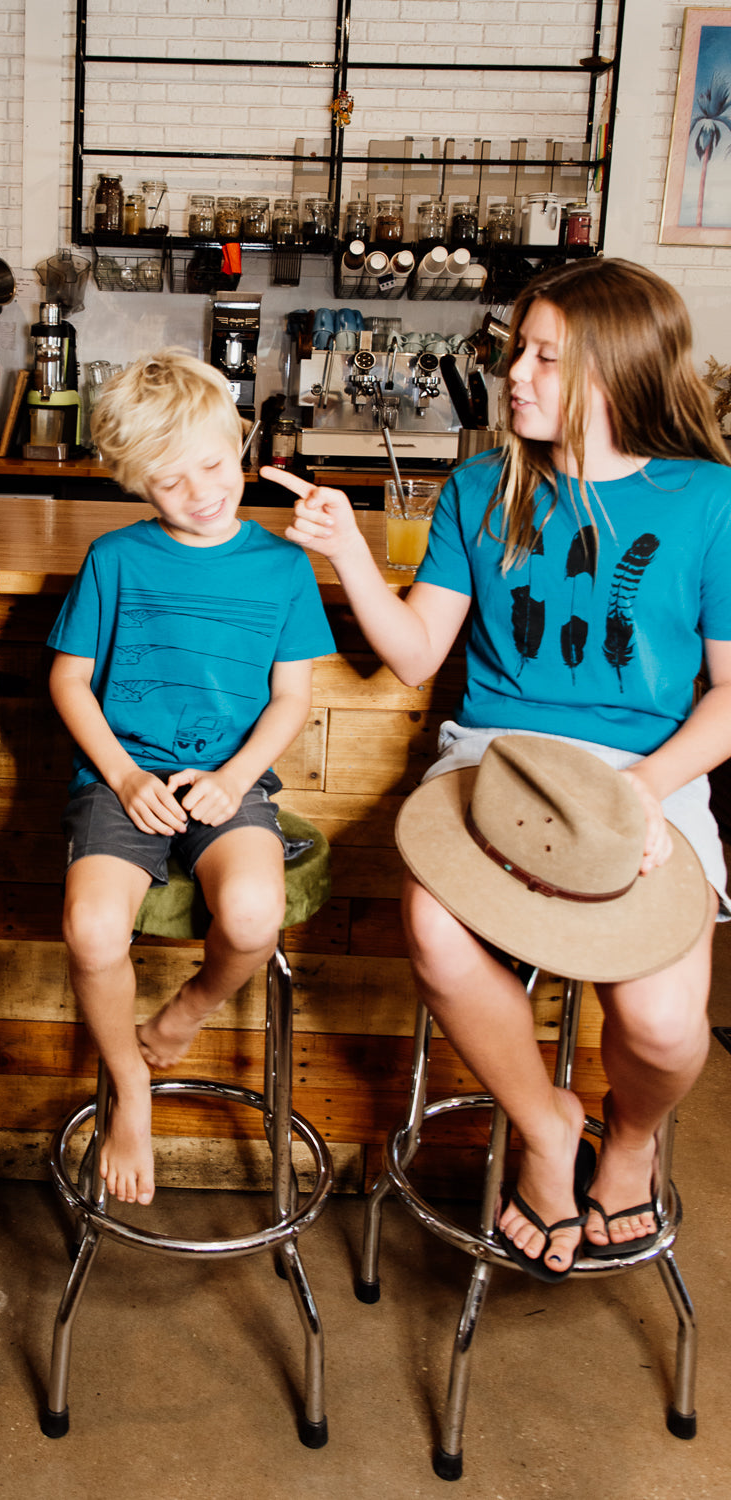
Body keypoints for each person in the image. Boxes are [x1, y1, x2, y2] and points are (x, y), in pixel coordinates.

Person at [268, 256, 731, 1281]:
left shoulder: (709, 501)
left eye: (543, 356)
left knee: (659, 1027)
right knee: (434, 931)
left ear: (614, 372)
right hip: (496, 760)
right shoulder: (483, 485)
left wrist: (641, 791)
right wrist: (346, 549)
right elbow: (418, 656)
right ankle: (547, 1128)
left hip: (644, 772)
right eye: (519, 349)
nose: (513, 372)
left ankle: (637, 1137)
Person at [47, 349, 335, 1206]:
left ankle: (184, 1014)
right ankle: (129, 1088)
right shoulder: (115, 559)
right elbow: (68, 680)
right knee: (93, 927)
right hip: (118, 781)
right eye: (170, 481)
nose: (203, 491)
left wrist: (234, 775)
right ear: (137, 485)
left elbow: (291, 698)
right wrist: (128, 776)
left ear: (238, 445)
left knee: (253, 914)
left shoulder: (282, 566)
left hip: (231, 780)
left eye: (214, 465)